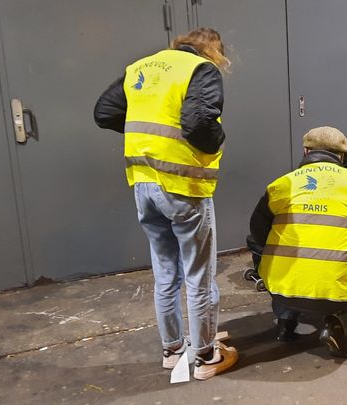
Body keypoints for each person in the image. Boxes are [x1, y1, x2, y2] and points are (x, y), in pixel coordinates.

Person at [93, 27, 237, 380]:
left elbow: (104, 112)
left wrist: (146, 140)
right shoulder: (200, 70)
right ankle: (204, 356)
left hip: (144, 184)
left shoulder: (140, 67)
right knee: (198, 276)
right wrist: (216, 142)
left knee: (165, 273)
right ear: (213, 51)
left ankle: (173, 351)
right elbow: (200, 122)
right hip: (181, 185)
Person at [248, 126, 347, 357]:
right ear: (343, 155)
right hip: (338, 287)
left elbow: (257, 231)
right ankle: (337, 322)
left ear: (306, 150)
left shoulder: (282, 184)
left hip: (282, 288)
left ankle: (285, 322)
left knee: (281, 265)